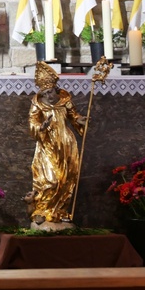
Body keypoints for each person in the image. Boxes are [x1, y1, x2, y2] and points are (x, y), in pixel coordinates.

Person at [27, 61, 87, 227]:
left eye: (51, 92)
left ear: (55, 89)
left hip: (65, 144)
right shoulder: (37, 103)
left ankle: (59, 211)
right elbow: (32, 121)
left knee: (66, 178)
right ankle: (41, 211)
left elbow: (73, 116)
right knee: (50, 179)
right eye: (45, 93)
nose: (49, 96)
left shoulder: (65, 100)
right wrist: (41, 127)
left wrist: (80, 121)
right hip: (47, 144)